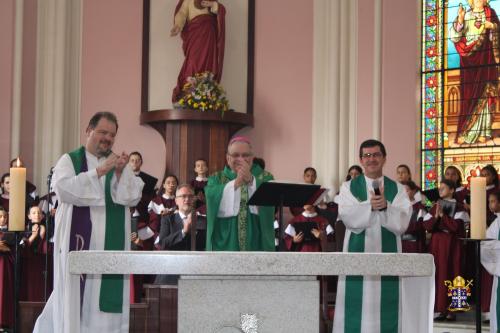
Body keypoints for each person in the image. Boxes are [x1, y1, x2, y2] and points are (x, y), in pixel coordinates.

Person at [33, 112, 144, 333]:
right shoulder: (70, 160)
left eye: (112, 135)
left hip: (109, 251)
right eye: (103, 132)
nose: (108, 138)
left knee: (103, 304)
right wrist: (99, 171)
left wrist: (121, 173)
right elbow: (64, 190)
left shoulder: (119, 163)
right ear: (88, 131)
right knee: (74, 296)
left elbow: (132, 197)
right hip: (80, 244)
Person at [332, 139, 432, 333]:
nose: (371, 159)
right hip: (357, 257)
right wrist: (371, 206)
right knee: (355, 307)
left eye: (376, 155)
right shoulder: (348, 187)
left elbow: (403, 223)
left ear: (384, 158)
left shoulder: (398, 189)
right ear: (361, 160)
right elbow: (348, 218)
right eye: (367, 155)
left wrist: (386, 206)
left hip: (389, 258)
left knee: (388, 307)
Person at [205, 136, 275, 251]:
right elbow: (211, 199)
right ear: (228, 158)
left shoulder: (266, 177)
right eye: (236, 155)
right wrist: (236, 184)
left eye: (245, 155)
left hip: (256, 240)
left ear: (252, 157)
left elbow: (269, 207)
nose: (241, 159)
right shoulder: (216, 178)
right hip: (226, 242)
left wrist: (252, 181)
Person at [449, 0, 499, 144]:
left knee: (486, 92)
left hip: (486, 60)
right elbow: (455, 37)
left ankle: (484, 131)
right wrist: (459, 19)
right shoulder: (465, 15)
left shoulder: (491, 14)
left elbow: (498, 33)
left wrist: (493, 27)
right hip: (469, 62)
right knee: (469, 95)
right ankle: (467, 131)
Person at [422, 178, 469, 321]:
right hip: (437, 244)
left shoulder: (460, 207)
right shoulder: (435, 206)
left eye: (443, 187)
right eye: (439, 187)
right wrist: (436, 217)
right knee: (438, 275)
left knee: (453, 273)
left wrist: (443, 217)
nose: (440, 190)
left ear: (452, 190)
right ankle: (439, 309)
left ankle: (452, 310)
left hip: (452, 245)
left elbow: (456, 227)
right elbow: (426, 225)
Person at [171, 0, 226, 103]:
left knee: (208, 67)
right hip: (195, 36)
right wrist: (177, 25)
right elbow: (182, 13)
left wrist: (213, 5)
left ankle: (206, 92)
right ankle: (189, 94)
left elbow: (221, 10)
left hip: (209, 38)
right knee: (192, 63)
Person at [155, 184, 206, 284]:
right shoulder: (168, 220)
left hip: (195, 273)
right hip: (171, 273)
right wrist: (183, 231)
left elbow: (205, 246)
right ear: (176, 201)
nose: (187, 199)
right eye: (183, 196)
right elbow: (163, 243)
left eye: (190, 196)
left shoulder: (203, 221)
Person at [482, 190, 500, 332]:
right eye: (489, 201)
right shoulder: (497, 222)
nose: (490, 204)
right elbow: (484, 244)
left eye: (493, 201)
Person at [401, 180, 427, 253]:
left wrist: (403, 228)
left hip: (415, 242)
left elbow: (419, 226)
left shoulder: (419, 207)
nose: (405, 193)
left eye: (407, 191)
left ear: (413, 191)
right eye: (403, 191)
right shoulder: (400, 206)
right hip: (401, 242)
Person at [0, 207, 13, 330]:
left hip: (4, 266)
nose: (3, 219)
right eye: (0, 216)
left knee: (3, 292)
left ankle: (3, 322)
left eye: (5, 216)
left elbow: (15, 248)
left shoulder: (10, 232)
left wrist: (7, 248)